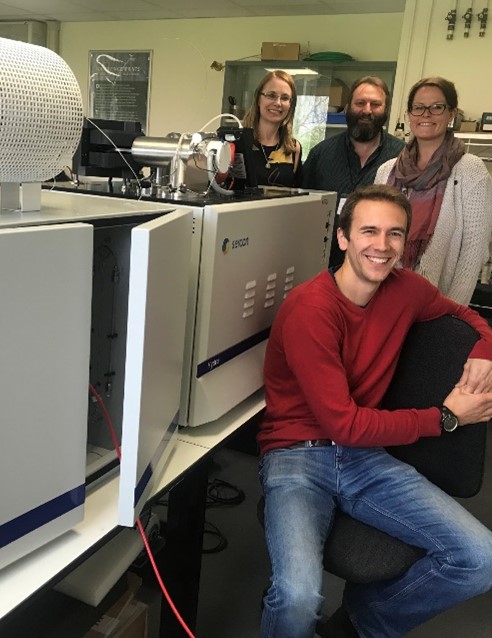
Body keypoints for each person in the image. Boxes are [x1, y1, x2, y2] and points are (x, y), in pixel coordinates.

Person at [258, 184, 492, 638]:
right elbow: (341, 421)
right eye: (369, 231)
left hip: (366, 457)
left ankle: (364, 620)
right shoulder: (311, 309)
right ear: (343, 238)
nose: (382, 246)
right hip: (297, 456)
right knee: (299, 597)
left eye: (395, 234)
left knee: (480, 559)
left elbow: (473, 319)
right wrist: (447, 417)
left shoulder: (408, 290)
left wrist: (484, 351)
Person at [375, 76, 492, 305]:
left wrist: (450, 312)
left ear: (451, 114)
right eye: (418, 108)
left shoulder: (471, 171)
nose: (426, 115)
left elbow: (473, 251)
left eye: (436, 107)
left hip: (438, 302)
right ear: (409, 115)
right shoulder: (387, 171)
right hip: (384, 296)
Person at [302, 76, 404, 266]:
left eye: (375, 104)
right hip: (324, 265)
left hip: (378, 266)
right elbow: (303, 211)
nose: (367, 110)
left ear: (386, 110)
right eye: (360, 103)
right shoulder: (320, 154)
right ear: (348, 107)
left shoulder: (402, 158)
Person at [242, 70, 302, 187]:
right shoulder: (238, 143)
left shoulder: (294, 149)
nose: (278, 103)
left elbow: (297, 198)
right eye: (271, 95)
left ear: (290, 105)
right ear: (258, 99)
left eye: (284, 98)